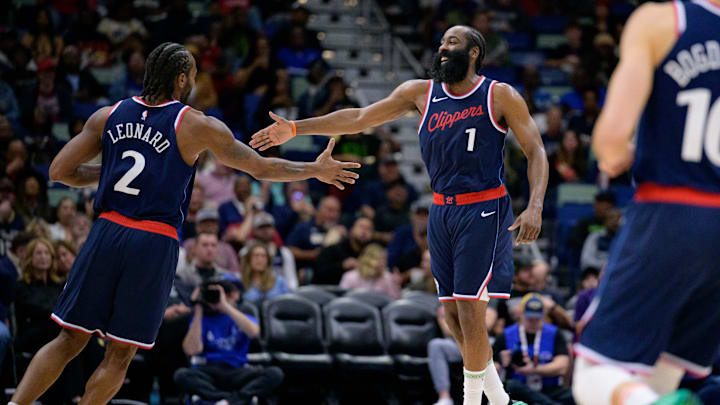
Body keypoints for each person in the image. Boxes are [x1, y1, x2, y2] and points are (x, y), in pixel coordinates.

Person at [9, 41, 360, 405]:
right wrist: (314, 170)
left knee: (68, 338)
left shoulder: (107, 115)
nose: (194, 81)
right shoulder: (194, 124)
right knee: (120, 353)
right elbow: (260, 167)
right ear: (180, 80)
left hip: (106, 230)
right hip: (153, 239)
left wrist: (111, 172)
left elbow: (60, 172)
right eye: (192, 74)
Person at [251, 24, 549, 405]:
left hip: (483, 206)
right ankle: (501, 400)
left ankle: (473, 401)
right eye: (440, 42)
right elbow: (359, 117)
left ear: (474, 53)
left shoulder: (499, 94)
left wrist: (536, 205)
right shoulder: (420, 93)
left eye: (453, 43)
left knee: (472, 313)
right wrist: (295, 128)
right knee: (451, 318)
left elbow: (536, 150)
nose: (443, 48)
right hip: (441, 210)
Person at [573, 2, 720, 405]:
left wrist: (618, 152)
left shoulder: (662, 21)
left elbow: (610, 141)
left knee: (594, 376)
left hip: (674, 210)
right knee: (662, 375)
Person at [175, 277, 284, 404]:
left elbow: (254, 333)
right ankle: (226, 399)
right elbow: (192, 350)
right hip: (209, 370)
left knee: (275, 373)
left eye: (225, 294)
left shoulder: (242, 317)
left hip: (237, 370)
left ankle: (226, 401)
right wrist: (198, 306)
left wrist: (224, 306)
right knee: (182, 375)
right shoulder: (201, 319)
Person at [494, 294, 572, 405]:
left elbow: (562, 366)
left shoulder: (554, 333)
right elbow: (492, 369)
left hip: (548, 387)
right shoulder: (505, 335)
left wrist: (534, 369)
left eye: (537, 319)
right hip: (520, 388)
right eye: (529, 318)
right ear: (521, 315)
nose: (533, 322)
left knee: (572, 396)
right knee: (510, 385)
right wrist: (501, 362)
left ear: (544, 316)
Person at [428, 303, 499, 405]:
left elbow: (487, 324)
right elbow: (446, 327)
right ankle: (445, 398)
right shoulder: (449, 292)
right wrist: (471, 321)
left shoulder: (485, 293)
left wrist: (459, 321)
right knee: (435, 345)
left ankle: (495, 398)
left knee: (494, 344)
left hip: (481, 342)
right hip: (456, 343)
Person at [241, 212, 298, 290]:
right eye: (261, 227)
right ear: (253, 230)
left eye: (268, 227)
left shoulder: (284, 252)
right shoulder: (245, 252)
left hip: (280, 293)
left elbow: (292, 280)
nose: (265, 230)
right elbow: (243, 275)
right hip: (253, 291)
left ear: (274, 229)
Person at [313, 216, 374, 285]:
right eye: (361, 227)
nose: (364, 232)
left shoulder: (373, 254)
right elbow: (319, 273)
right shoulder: (334, 249)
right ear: (352, 229)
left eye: (368, 229)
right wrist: (342, 266)